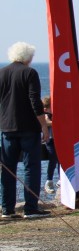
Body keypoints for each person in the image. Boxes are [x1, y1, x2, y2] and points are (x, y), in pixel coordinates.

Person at [0, 42, 51, 219]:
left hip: (7, 127)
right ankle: (30, 208)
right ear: (28, 57)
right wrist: (43, 125)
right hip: (29, 128)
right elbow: (35, 101)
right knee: (31, 167)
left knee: (8, 168)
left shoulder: (2, 72)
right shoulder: (30, 73)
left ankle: (7, 209)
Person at [41, 96, 59, 194]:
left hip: (57, 139)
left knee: (60, 159)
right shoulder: (45, 115)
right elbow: (48, 123)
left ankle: (61, 179)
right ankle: (49, 180)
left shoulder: (54, 114)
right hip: (50, 140)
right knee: (53, 158)